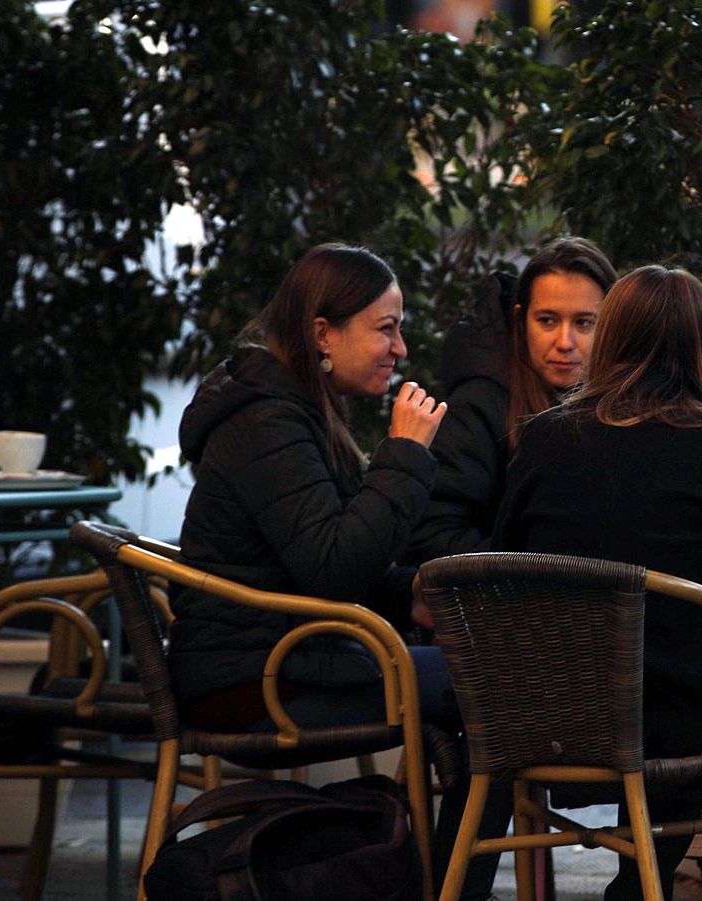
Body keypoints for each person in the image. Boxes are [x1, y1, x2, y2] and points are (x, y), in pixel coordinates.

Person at [169, 244, 499, 901]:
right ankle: (447, 888)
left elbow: (319, 561)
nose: (400, 348)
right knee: (496, 685)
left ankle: (442, 881)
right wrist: (403, 455)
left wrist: (411, 594)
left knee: (488, 675)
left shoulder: (291, 410)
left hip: (280, 657)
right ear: (323, 332)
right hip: (254, 677)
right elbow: (330, 566)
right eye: (386, 327)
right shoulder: (268, 422)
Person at [490, 265, 702, 901]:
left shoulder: (544, 439)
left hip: (546, 709)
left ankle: (645, 879)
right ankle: (662, 875)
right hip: (678, 720)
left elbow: (504, 565)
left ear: (611, 338)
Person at [402, 236, 616, 564]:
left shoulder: (623, 405)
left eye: (584, 323)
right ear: (520, 321)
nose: (564, 341)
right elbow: (432, 537)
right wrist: (535, 563)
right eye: (547, 320)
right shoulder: (479, 407)